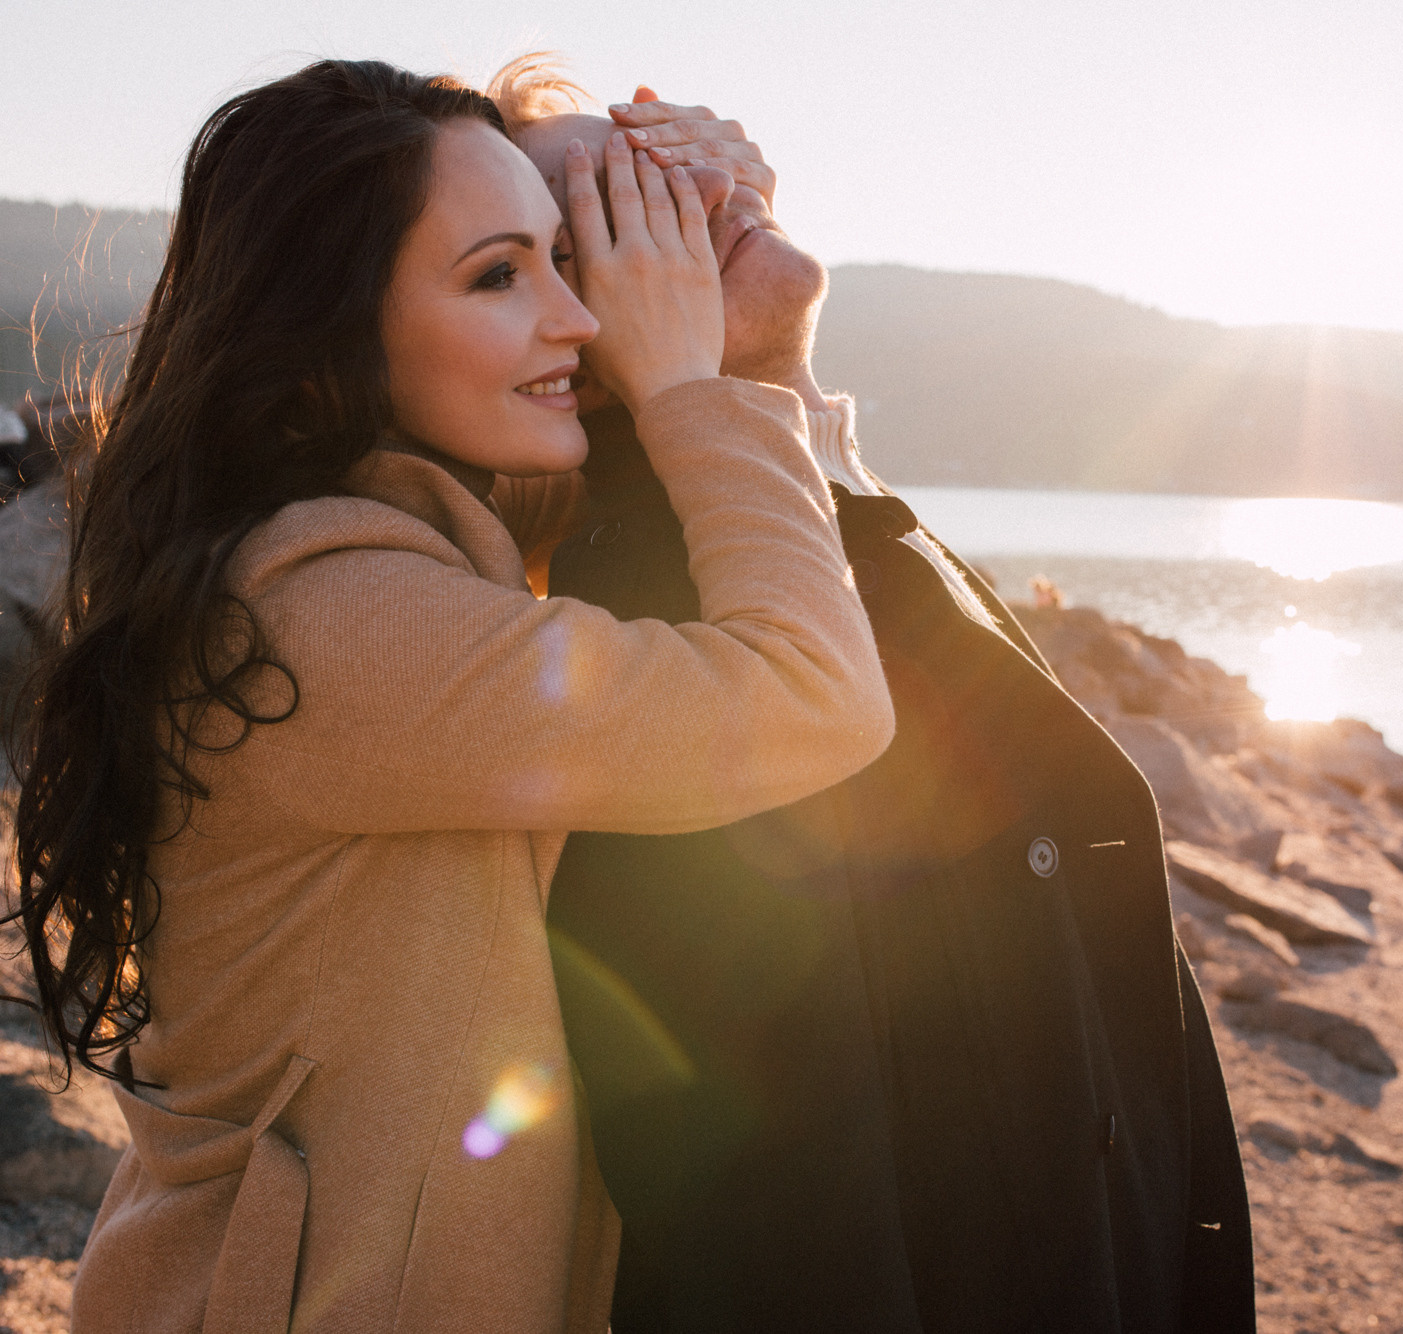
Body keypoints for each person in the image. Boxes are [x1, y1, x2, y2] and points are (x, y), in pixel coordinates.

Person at [10, 59, 893, 1332]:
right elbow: (814, 688)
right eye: (498, 276)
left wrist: (734, 269)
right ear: (328, 340)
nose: (577, 318)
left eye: (566, 256)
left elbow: (748, 528)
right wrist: (699, 385)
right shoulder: (328, 619)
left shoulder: (400, 541)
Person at [497, 62, 1257, 1332]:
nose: (692, 184)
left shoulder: (829, 532)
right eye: (622, 201)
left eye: (660, 147)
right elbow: (774, 1222)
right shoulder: (671, 635)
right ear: (564, 334)